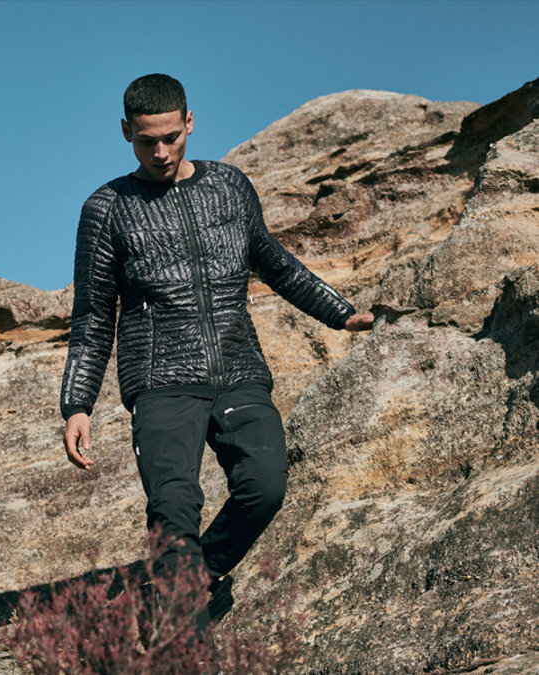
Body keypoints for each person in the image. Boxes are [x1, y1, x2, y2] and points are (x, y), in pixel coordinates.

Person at [59, 73, 373, 629]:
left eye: (171, 137)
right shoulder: (107, 208)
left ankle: (191, 581)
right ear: (126, 132)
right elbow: (93, 314)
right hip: (160, 381)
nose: (160, 152)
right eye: (146, 141)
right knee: (174, 510)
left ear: (190, 123)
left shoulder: (228, 186)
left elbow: (274, 263)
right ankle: (187, 638)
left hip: (238, 368)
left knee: (265, 486)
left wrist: (340, 312)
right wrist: (77, 403)